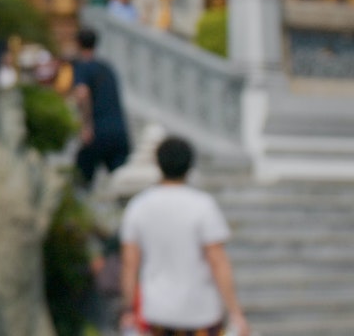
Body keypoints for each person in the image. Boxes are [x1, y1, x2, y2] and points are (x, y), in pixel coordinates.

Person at [119, 136, 248, 336]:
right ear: (190, 165)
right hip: (200, 311)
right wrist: (235, 312)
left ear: (157, 163)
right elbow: (217, 260)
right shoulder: (203, 205)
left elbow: (130, 262)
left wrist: (127, 308)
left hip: (157, 311)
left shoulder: (138, 206)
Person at [71, 27, 131, 189]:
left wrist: (86, 126)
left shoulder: (82, 67)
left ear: (77, 44)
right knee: (122, 181)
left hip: (98, 131)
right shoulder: (107, 68)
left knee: (81, 178)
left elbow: (82, 93)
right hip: (119, 131)